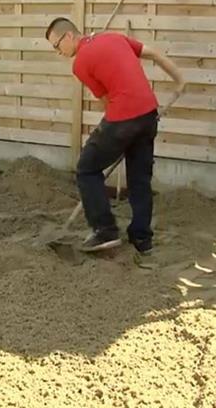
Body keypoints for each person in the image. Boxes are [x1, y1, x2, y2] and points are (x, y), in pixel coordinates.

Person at [45, 17, 185, 254]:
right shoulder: (113, 36)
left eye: (57, 46)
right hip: (149, 115)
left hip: (123, 119)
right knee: (140, 179)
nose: (58, 52)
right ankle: (142, 239)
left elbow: (106, 102)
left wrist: (118, 135)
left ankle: (105, 230)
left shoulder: (80, 64)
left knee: (87, 169)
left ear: (69, 36)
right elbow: (155, 54)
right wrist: (180, 81)